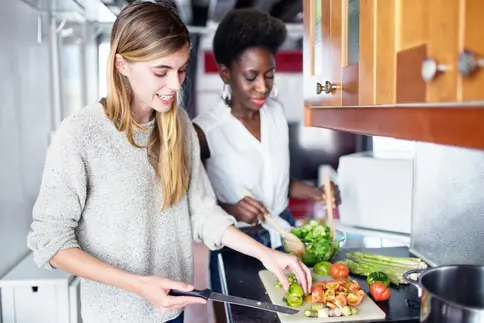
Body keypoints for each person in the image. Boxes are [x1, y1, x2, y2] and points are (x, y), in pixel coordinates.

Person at [26, 2, 312, 323]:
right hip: (116, 315)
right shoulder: (81, 134)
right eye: (161, 71)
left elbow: (202, 211)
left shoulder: (180, 127)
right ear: (122, 64)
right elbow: (50, 243)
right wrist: (138, 285)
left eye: (181, 69)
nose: (176, 85)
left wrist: (266, 253)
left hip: (173, 310)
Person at [192, 8, 341, 294]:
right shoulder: (204, 131)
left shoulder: (276, 112)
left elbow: (277, 182)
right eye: (251, 77)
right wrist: (230, 208)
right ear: (225, 73)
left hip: (286, 234)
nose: (263, 87)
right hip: (238, 245)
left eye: (269, 75)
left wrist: (318, 193)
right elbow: (192, 205)